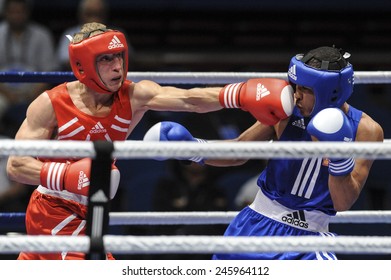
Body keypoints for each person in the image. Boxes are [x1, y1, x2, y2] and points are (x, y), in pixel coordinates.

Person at [5, 22, 293, 260]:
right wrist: (65, 175)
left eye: (119, 57)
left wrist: (239, 95)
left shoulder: (134, 95)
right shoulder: (51, 104)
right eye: (105, 59)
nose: (117, 66)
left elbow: (190, 99)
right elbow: (16, 165)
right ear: (84, 66)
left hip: (94, 208)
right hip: (54, 207)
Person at [144, 46, 384, 260]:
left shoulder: (366, 130)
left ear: (330, 91)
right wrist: (191, 148)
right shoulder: (286, 109)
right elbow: (240, 150)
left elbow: (342, 202)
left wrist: (338, 157)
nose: (296, 94)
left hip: (310, 240)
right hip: (254, 225)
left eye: (304, 89)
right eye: (295, 86)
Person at [0, 0, 58, 136]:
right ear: (5, 13)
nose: (16, 16)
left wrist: (31, 94)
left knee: (51, 107)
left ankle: (42, 149)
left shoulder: (42, 35)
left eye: (20, 12)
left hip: (35, 91)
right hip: (3, 92)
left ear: (27, 13)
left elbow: (49, 72)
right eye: (13, 12)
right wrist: (8, 94)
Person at [56, 0, 133, 71]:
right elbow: (66, 61)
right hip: (78, 80)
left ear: (105, 14)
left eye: (98, 14)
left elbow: (126, 59)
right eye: (90, 14)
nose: (94, 18)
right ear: (81, 14)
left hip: (111, 78)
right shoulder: (70, 34)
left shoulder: (117, 34)